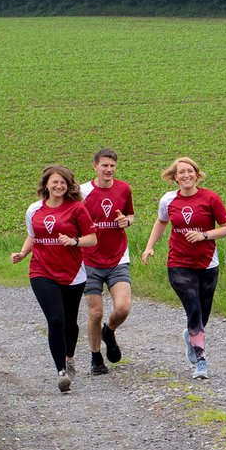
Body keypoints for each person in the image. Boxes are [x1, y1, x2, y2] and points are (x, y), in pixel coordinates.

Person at [141, 157, 226, 380]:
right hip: (179, 263)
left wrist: (204, 235)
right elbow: (161, 221)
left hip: (207, 263)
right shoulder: (168, 200)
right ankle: (201, 361)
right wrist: (149, 247)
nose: (186, 175)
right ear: (175, 177)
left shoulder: (210, 198)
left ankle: (191, 335)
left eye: (190, 171)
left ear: (197, 174)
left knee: (203, 313)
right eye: (181, 172)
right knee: (193, 309)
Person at [11, 165, 97, 393]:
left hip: (73, 273)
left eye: (63, 183)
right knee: (56, 320)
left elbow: (92, 239)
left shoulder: (77, 208)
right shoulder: (34, 209)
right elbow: (33, 235)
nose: (59, 186)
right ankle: (61, 372)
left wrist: (74, 241)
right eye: (55, 182)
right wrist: (23, 253)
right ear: (46, 184)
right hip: (41, 271)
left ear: (68, 186)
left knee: (69, 322)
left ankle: (69, 358)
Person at [80, 148, 135, 375]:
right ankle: (96, 357)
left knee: (123, 308)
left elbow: (130, 215)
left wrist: (126, 221)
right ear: (95, 166)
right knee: (95, 312)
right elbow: (70, 217)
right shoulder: (82, 191)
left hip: (118, 257)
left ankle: (109, 331)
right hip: (89, 260)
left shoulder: (124, 188)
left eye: (112, 165)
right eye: (104, 165)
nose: (109, 169)